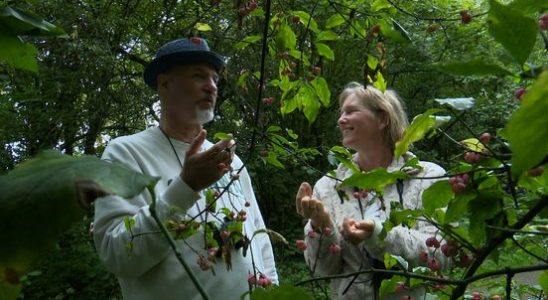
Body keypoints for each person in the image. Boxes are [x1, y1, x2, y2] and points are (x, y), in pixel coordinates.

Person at [93, 37, 278, 300]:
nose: (212, 86)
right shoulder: (125, 153)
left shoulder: (230, 159)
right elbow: (117, 255)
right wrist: (185, 187)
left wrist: (271, 290)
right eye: (198, 75)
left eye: (215, 78)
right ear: (164, 83)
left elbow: (258, 238)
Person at [295, 82, 449, 299]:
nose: (341, 119)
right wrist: (322, 227)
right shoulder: (329, 187)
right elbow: (322, 270)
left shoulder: (427, 178)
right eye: (341, 113)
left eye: (351, 111)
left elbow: (441, 256)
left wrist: (379, 236)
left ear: (383, 119)